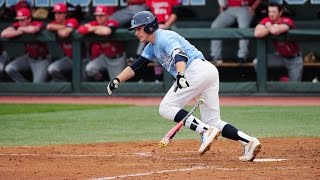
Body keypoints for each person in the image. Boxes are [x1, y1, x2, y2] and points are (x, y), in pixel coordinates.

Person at [107, 11, 261, 161]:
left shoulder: (164, 37)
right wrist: (117, 80)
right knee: (213, 120)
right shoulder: (151, 47)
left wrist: (180, 74)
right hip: (207, 71)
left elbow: (180, 55)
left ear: (149, 27)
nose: (136, 33)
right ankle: (249, 142)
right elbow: (136, 66)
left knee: (166, 108)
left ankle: (205, 131)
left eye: (139, 29)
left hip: (194, 70)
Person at [135, 0, 183, 82]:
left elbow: (176, 12)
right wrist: (153, 26)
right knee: (142, 53)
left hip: (168, 26)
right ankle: (143, 77)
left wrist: (166, 25)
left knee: (169, 53)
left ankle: (171, 78)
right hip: (152, 26)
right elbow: (146, 15)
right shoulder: (149, 1)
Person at [253, 2, 303, 81]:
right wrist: (270, 27)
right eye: (269, 12)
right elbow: (257, 33)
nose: (271, 14)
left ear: (280, 13)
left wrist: (268, 26)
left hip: (294, 59)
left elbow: (275, 31)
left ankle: (285, 81)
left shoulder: (287, 20)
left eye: (274, 12)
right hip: (280, 57)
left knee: (294, 88)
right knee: (257, 62)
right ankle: (266, 83)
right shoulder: (267, 20)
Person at [1, 7, 50, 83]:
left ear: (29, 19)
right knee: (10, 68)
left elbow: (33, 30)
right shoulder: (19, 25)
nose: (20, 22)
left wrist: (21, 29)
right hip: (29, 57)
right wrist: (19, 32)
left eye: (23, 19)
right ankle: (24, 86)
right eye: (19, 19)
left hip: (42, 59)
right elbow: (3, 34)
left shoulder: (37, 23)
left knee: (37, 86)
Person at [77, 5, 125, 81]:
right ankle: (102, 80)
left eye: (101, 15)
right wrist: (97, 28)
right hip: (104, 57)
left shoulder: (112, 22)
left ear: (107, 15)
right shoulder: (95, 23)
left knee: (118, 86)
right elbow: (81, 29)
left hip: (117, 59)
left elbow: (106, 31)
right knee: (90, 68)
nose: (98, 17)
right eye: (97, 15)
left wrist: (92, 29)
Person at [47, 3, 79, 82]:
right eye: (55, 13)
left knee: (84, 80)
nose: (57, 15)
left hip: (81, 59)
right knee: (52, 69)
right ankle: (65, 86)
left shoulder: (72, 20)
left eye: (60, 13)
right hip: (68, 59)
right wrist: (65, 27)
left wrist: (61, 29)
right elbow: (49, 26)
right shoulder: (54, 23)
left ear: (65, 14)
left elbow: (64, 33)